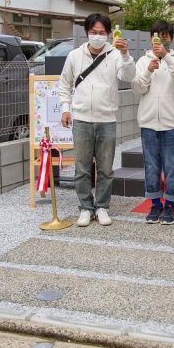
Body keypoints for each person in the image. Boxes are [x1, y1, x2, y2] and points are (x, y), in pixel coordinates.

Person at [59, 14, 135, 227]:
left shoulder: (116, 55)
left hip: (107, 119)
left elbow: (129, 76)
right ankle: (85, 207)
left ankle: (102, 207)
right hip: (81, 119)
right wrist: (66, 109)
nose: (97, 36)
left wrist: (126, 53)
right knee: (82, 168)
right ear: (87, 33)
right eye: (93, 32)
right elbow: (64, 84)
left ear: (109, 34)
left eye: (102, 33)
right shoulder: (75, 55)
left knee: (105, 168)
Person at [132, 20, 174, 225]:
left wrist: (166, 57)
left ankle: (171, 206)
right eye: (157, 35)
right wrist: (148, 70)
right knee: (151, 165)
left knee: (172, 166)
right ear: (150, 38)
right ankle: (155, 204)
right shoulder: (142, 60)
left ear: (171, 38)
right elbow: (137, 89)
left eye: (165, 35)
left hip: (172, 122)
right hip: (148, 122)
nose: (161, 39)